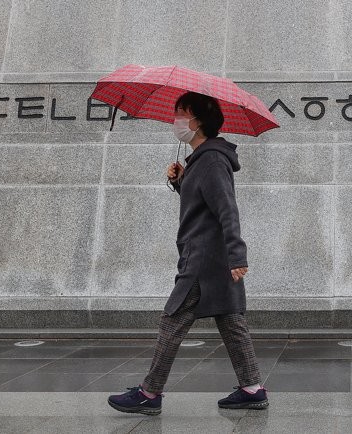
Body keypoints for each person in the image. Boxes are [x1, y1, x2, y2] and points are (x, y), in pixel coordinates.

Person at [108, 92, 268, 415]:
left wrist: (238, 255)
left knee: (172, 320)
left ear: (198, 121)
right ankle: (252, 388)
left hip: (203, 261)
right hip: (210, 257)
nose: (176, 120)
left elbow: (227, 211)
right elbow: (203, 205)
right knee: (230, 319)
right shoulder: (203, 159)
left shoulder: (210, 160)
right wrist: (181, 181)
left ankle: (150, 393)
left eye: (182, 113)